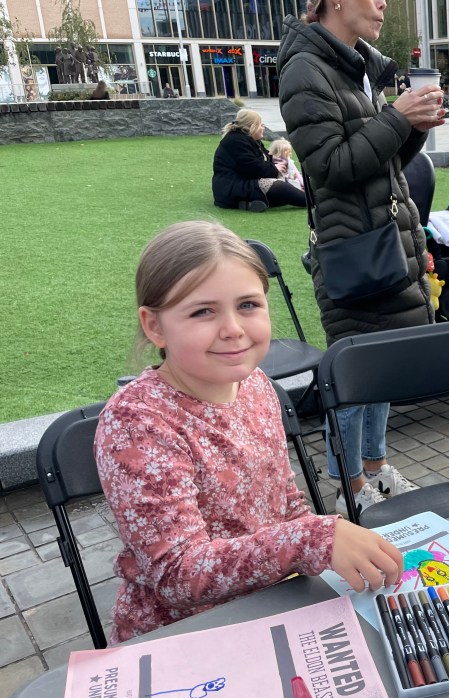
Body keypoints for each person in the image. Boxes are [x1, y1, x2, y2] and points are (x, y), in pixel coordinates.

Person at [94, 221, 403, 643]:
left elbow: (282, 503)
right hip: (185, 636)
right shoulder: (137, 423)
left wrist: (326, 539)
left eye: (248, 305)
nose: (233, 329)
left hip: (272, 603)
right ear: (154, 326)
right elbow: (177, 575)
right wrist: (311, 538)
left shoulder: (255, 384)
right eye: (203, 311)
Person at [277, 0, 445, 515]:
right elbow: (329, 166)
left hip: (386, 243)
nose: (382, 5)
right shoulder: (306, 68)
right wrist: (397, 117)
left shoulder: (360, 65)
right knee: (352, 376)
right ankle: (348, 484)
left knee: (381, 370)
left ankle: (373, 467)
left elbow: (382, 164)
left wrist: (412, 127)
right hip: (354, 251)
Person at [212, 108, 306, 212]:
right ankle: (311, 200)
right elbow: (252, 168)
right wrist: (275, 168)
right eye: (261, 124)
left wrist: (277, 162)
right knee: (280, 187)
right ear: (252, 126)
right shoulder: (236, 141)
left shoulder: (249, 140)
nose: (263, 127)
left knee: (285, 190)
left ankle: (248, 203)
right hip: (232, 187)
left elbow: (265, 160)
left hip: (240, 185)